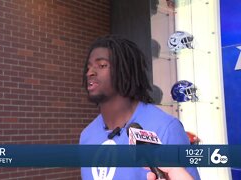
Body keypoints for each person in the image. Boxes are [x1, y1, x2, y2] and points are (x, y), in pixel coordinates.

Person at [79, 35, 200, 180]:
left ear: (126, 71)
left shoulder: (165, 128)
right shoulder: (86, 136)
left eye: (102, 65)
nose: (90, 72)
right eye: (88, 67)